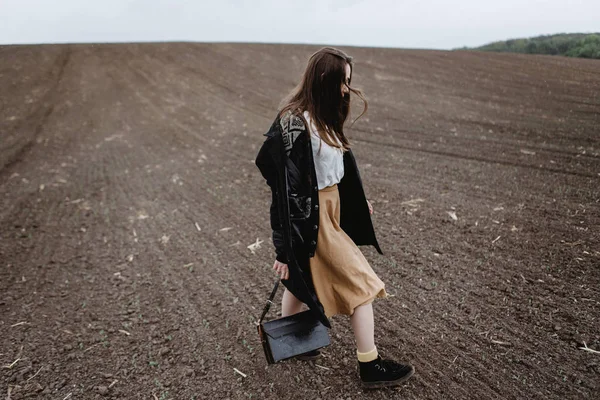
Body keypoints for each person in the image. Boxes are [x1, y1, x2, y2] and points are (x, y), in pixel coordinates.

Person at [255, 47, 414, 389]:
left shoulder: (326, 117)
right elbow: (283, 195)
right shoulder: (295, 125)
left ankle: (297, 343)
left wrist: (357, 203)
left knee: (305, 277)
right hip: (312, 217)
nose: (346, 90)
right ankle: (370, 365)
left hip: (330, 209)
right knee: (361, 286)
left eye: (349, 82)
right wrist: (284, 251)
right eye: (343, 82)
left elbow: (339, 171)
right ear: (325, 80)